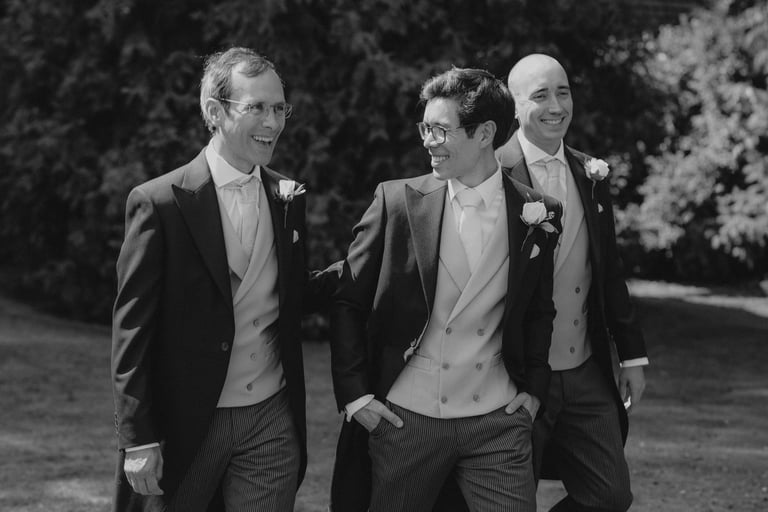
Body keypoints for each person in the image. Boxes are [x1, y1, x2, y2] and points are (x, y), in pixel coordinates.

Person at [111, 47, 336, 512]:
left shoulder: (288, 196)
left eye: (279, 108)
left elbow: (289, 291)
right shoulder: (160, 203)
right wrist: (138, 437)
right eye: (257, 107)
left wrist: (368, 264)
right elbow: (133, 329)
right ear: (214, 112)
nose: (272, 122)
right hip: (189, 419)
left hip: (271, 415)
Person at [328, 67, 562, 512]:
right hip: (406, 419)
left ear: (485, 133)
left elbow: (538, 310)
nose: (428, 141)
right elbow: (348, 302)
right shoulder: (396, 202)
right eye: (425, 128)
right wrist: (356, 397)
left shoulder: (539, 212)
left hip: (497, 419)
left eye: (440, 130)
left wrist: (534, 391)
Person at [495, 53, 649, 512]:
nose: (556, 106)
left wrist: (632, 355)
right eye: (540, 95)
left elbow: (608, 270)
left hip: (584, 368)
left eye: (563, 92)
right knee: (510, 500)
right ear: (515, 105)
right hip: (515, 375)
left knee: (610, 494)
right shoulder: (491, 171)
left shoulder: (591, 174)